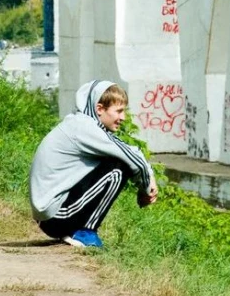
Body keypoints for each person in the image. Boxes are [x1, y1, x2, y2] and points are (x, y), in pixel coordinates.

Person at [29, 80, 159, 248]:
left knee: (116, 159)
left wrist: (147, 175)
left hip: (49, 215)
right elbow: (132, 157)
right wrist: (147, 187)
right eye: (118, 111)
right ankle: (85, 232)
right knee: (119, 167)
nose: (123, 118)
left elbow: (129, 150)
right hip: (55, 217)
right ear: (99, 109)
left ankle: (75, 230)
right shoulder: (84, 128)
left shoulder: (81, 124)